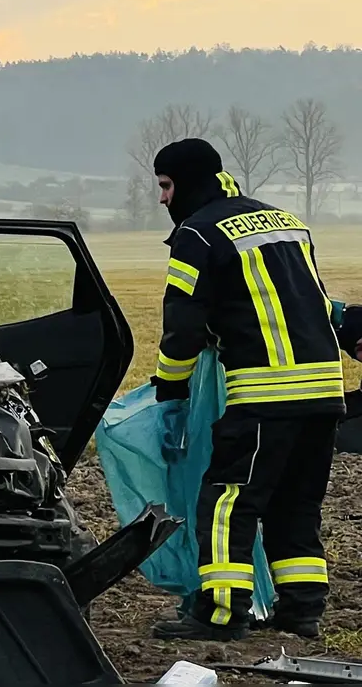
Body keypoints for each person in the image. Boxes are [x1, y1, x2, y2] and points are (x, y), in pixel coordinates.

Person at [146, 137, 346, 641]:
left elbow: (182, 329)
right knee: (295, 504)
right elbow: (315, 302)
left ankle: (217, 614)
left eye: (166, 186)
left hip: (266, 394)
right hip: (324, 392)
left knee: (226, 500)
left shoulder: (197, 235)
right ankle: (301, 611)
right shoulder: (286, 222)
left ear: (187, 183)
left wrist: (170, 392)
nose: (163, 199)